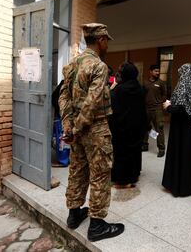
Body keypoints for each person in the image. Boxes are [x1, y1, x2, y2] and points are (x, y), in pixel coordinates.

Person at [59, 23, 124, 242]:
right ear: (101, 40)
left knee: (77, 170)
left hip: (76, 130)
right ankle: (97, 225)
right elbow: (92, 101)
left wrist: (69, 127)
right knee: (100, 174)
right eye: (107, 41)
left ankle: (74, 214)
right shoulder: (99, 66)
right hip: (94, 129)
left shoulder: (72, 65)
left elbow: (63, 98)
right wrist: (76, 127)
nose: (107, 45)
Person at [162, 63, 191, 197]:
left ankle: (177, 185)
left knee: (179, 154)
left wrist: (167, 107)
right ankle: (189, 185)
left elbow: (180, 109)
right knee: (188, 156)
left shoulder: (182, 88)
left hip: (180, 129)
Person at [109, 62, 148, 188]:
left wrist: (112, 88)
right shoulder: (140, 88)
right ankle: (134, 175)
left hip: (121, 128)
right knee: (135, 152)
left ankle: (122, 180)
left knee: (121, 153)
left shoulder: (119, 89)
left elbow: (112, 106)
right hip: (137, 127)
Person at [142, 64, 167, 157]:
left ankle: (161, 148)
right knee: (145, 128)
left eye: (158, 71)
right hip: (146, 108)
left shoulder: (161, 83)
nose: (158, 73)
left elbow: (165, 95)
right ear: (150, 71)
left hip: (157, 109)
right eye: (156, 71)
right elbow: (142, 95)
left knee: (159, 128)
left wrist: (160, 101)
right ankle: (144, 145)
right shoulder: (145, 83)